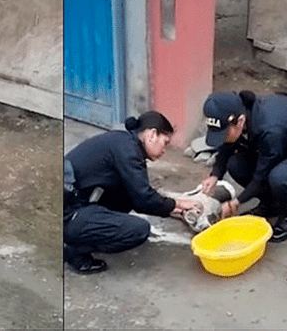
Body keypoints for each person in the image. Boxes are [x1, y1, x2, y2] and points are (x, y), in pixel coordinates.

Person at [64, 111, 203, 274]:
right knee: (139, 230)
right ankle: (75, 251)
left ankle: (81, 232)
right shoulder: (129, 152)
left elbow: (137, 197)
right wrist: (178, 203)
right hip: (68, 213)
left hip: (73, 201)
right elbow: (145, 198)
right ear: (152, 135)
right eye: (165, 143)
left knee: (126, 196)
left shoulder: (124, 142)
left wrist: (174, 211)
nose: (165, 150)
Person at [200, 90, 287, 242]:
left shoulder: (269, 130)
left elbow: (261, 174)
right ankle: (271, 205)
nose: (223, 138)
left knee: (280, 176)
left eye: (224, 133)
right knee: (236, 165)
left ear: (240, 121)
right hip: (284, 146)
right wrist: (215, 175)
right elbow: (226, 145)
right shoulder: (240, 111)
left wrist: (236, 202)